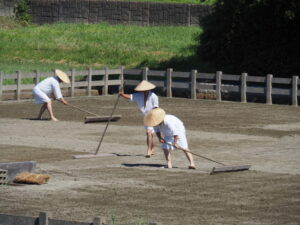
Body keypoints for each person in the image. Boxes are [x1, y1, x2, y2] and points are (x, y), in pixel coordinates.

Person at [119, 80, 159, 157]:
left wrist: (152, 115)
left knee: (149, 133)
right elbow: (130, 96)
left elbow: (155, 107)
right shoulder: (138, 95)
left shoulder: (154, 96)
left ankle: (149, 150)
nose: (144, 91)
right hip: (146, 117)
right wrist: (122, 95)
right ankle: (152, 148)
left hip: (154, 116)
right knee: (150, 134)